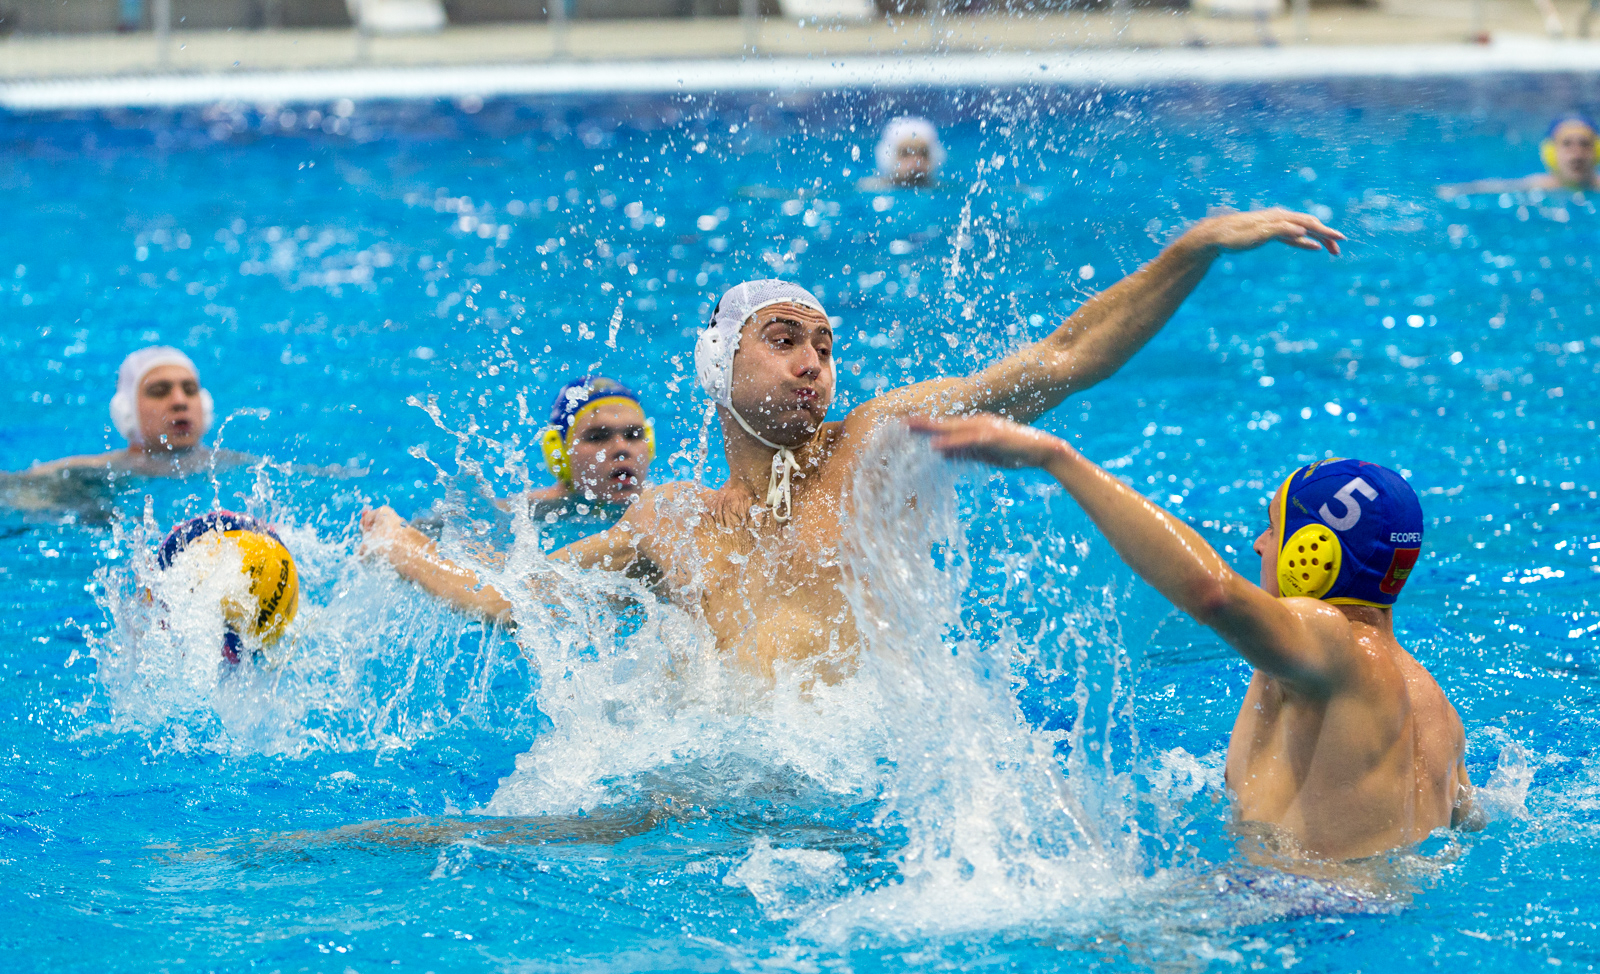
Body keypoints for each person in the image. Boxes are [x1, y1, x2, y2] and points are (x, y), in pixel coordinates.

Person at [360, 208, 1345, 683]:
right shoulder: (668, 519)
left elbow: (1064, 357)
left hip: (855, 801)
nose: (813, 365)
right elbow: (514, 598)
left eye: (825, 347)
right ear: (716, 365)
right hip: (708, 803)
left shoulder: (876, 442)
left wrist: (1193, 248)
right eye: (783, 340)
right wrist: (402, 550)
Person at [911, 413, 1475, 861]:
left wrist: (1055, 458)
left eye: (1276, 529)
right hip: (1360, 924)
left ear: (1315, 557)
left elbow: (1213, 593)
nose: (1258, 544)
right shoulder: (1436, 709)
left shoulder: (1332, 647)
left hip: (1292, 926)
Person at [21, 346, 253, 477]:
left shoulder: (242, 468)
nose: (180, 402)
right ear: (127, 413)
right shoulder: (93, 473)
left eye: (190, 389)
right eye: (160, 391)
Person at [527, 375, 654, 518]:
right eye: (598, 437)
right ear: (559, 452)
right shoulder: (527, 512)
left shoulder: (668, 506)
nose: (621, 448)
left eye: (633, 435)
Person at [1437, 113, 1600, 196]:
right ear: (1551, 153)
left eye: (1585, 144)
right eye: (1567, 144)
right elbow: (1495, 187)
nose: (1577, 153)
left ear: (1596, 152)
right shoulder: (1537, 186)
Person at [860, 117, 945, 190]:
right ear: (889, 158)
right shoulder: (871, 187)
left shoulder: (942, 189)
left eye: (923, 154)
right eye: (905, 154)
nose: (916, 162)